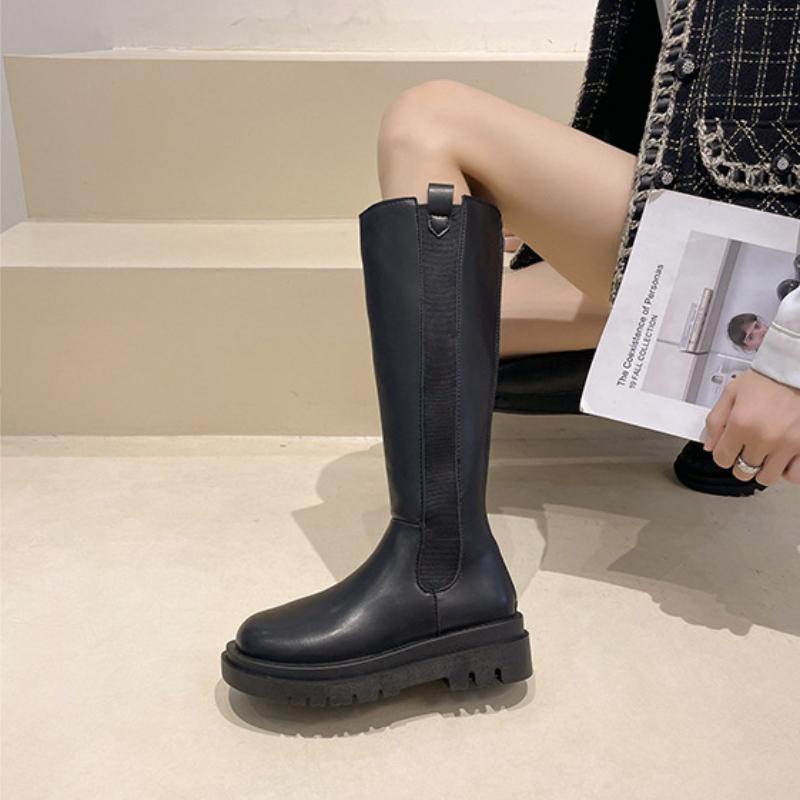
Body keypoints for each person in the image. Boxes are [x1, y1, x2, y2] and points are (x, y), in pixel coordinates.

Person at [220, 0, 800, 705]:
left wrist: (790, 359)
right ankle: (717, 432)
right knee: (446, 312)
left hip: (772, 260)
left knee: (430, 119)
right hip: (727, 236)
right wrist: (540, 218)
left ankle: (440, 576)